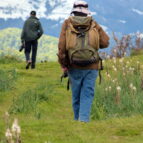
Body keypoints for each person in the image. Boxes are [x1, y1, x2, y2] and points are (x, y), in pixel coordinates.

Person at [58, 0, 110, 122]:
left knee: (76, 94)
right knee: (87, 94)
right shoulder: (93, 24)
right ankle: (84, 121)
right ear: (87, 10)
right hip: (91, 66)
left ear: (73, 10)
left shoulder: (67, 23)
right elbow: (105, 42)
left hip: (73, 65)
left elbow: (61, 46)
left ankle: (77, 121)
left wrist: (63, 64)